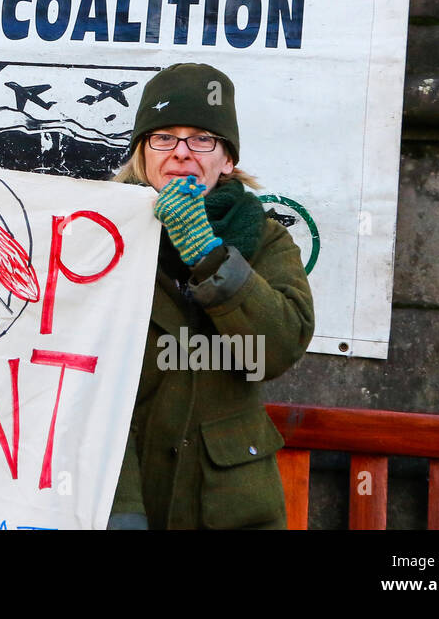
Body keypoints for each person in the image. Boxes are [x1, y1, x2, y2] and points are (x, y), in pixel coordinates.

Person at [108, 63, 313, 529]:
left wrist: (209, 255)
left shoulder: (264, 239)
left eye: (202, 138)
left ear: (228, 160)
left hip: (230, 506)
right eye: (164, 137)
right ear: (142, 154)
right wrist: (118, 509)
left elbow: (276, 349)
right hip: (121, 493)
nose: (182, 153)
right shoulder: (97, 234)